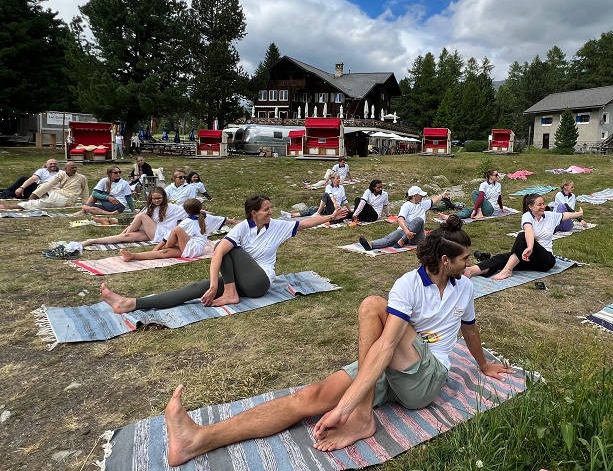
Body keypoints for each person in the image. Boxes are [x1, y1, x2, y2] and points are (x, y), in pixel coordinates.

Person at [160, 215, 511, 464]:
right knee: (308, 398)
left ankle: (358, 414)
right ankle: (196, 441)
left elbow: (470, 328)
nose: (471, 264)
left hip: (427, 376)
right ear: (445, 260)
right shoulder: (408, 285)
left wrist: (483, 364)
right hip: (394, 364)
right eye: (465, 259)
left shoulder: (462, 287)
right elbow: (385, 347)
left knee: (374, 307)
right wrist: (345, 403)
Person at [101, 194, 348, 312]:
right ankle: (131, 303)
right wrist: (211, 286)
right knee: (195, 288)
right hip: (240, 279)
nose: (271, 212)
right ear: (254, 213)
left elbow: (305, 223)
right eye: (266, 209)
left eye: (270, 209)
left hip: (260, 281)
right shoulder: (242, 228)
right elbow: (218, 256)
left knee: (227, 248)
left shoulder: (278, 226)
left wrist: (330, 217)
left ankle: (230, 293)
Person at [464, 193, 584, 281]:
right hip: (528, 256)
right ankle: (472, 270)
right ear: (530, 207)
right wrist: (530, 247)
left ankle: (508, 270)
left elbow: (564, 215)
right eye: (539, 204)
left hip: (545, 260)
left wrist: (578, 214)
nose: (543, 206)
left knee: (521, 237)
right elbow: (529, 231)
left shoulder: (550, 215)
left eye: (543, 204)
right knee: (501, 258)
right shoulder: (527, 216)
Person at [117, 198, 223, 262]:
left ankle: (169, 246)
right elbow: (223, 219)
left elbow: (169, 235)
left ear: (185, 211)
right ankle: (132, 256)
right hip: (194, 249)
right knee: (163, 253)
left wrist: (158, 246)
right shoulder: (206, 217)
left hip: (192, 248)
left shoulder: (187, 222)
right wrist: (234, 221)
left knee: (176, 230)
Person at [81, 187, 188, 247]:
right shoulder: (149, 207)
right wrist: (123, 234)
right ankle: (92, 241)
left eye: (159, 198)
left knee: (140, 215)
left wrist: (201, 212)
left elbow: (191, 212)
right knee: (126, 237)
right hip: (151, 233)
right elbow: (134, 223)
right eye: (154, 199)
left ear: (164, 197)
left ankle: (120, 235)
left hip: (163, 234)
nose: (156, 201)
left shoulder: (173, 208)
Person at [359, 186, 449, 251]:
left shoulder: (423, 204)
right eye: (420, 195)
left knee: (419, 220)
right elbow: (400, 219)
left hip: (417, 237)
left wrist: (442, 195)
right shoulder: (406, 205)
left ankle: (402, 241)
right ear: (415, 196)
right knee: (389, 238)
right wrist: (407, 232)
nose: (422, 197)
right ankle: (371, 244)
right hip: (405, 231)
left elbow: (433, 200)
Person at [0, 161, 89, 210]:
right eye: (72, 168)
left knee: (41, 201)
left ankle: (10, 205)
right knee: (39, 202)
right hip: (56, 194)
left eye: (75, 167)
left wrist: (86, 204)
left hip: (67, 197)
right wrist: (35, 193)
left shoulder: (81, 177)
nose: (74, 169)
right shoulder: (61, 174)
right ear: (66, 169)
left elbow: (85, 191)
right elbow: (50, 184)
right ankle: (10, 205)